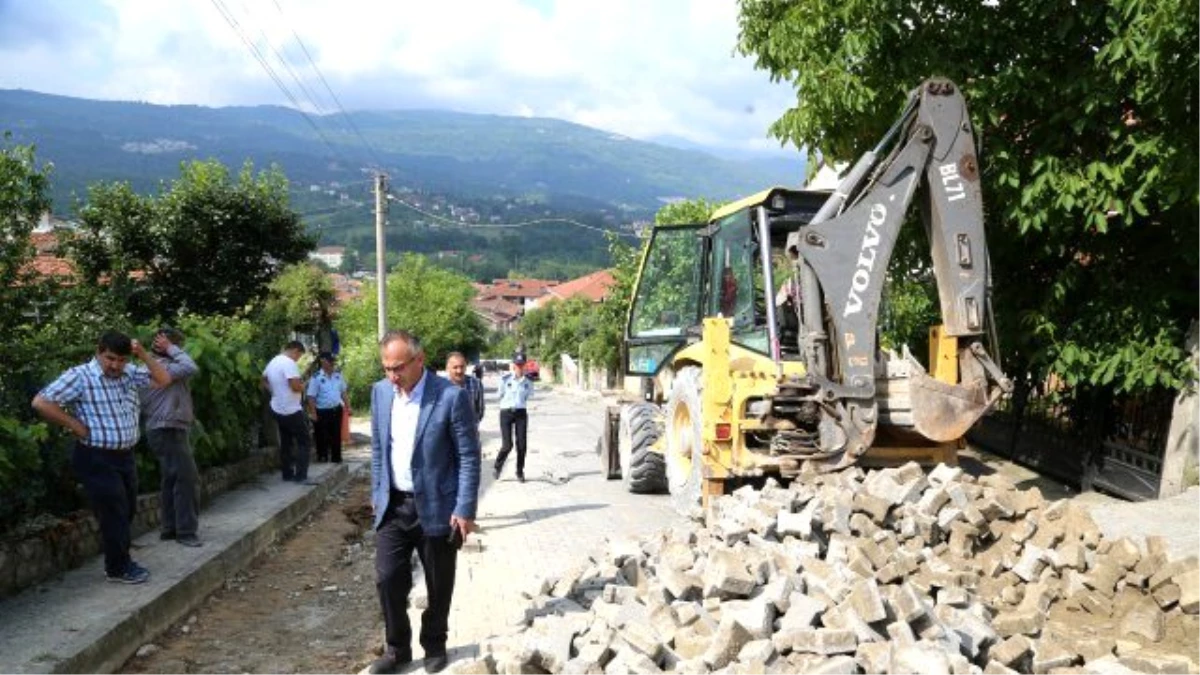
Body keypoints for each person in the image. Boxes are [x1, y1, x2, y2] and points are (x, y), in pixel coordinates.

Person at [369, 330, 480, 674]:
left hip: (437, 507)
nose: (392, 375)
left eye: (398, 367)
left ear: (419, 359)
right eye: (386, 368)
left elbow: (468, 455)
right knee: (388, 579)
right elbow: (377, 449)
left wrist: (464, 508)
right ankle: (397, 648)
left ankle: (434, 643)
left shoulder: (449, 396)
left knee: (438, 581)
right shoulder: (380, 393)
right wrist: (377, 492)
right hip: (394, 506)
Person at [31, 330, 170, 584]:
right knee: (115, 510)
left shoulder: (129, 372)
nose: (115, 365)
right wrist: (74, 425)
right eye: (110, 358)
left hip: (124, 456)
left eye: (121, 360)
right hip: (95, 456)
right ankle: (118, 567)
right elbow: (41, 402)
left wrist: (143, 355)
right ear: (99, 351)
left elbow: (163, 380)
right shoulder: (80, 376)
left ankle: (118, 561)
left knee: (126, 509)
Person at [140, 326, 203, 547]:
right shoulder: (164, 368)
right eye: (177, 345)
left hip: (163, 428)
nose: (180, 349)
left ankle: (169, 528)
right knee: (186, 479)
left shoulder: (151, 368)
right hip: (168, 428)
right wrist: (171, 348)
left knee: (171, 478)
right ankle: (186, 532)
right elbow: (190, 366)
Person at [262, 340, 312, 483]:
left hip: (277, 407)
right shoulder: (289, 363)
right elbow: (295, 386)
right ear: (295, 350)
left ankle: (287, 474)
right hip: (290, 409)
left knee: (286, 441)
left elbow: (263, 380)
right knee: (304, 441)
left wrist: (274, 391)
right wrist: (304, 386)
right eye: (299, 356)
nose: (298, 359)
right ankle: (301, 476)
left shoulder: (273, 361)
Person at [493, 354, 534, 482]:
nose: (519, 367)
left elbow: (527, 396)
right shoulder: (505, 380)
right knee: (507, 445)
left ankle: (520, 471)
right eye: (517, 365)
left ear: (525, 365)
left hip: (521, 413)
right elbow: (500, 394)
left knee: (522, 445)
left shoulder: (528, 382)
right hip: (506, 413)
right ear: (513, 365)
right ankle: (497, 466)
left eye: (522, 365)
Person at [306, 352, 349, 463]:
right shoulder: (316, 377)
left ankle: (336, 457)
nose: (332, 364)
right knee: (321, 435)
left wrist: (348, 407)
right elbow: (311, 397)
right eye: (329, 361)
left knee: (336, 435)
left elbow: (343, 392)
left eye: (333, 362)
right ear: (323, 362)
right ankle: (322, 456)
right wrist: (313, 413)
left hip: (336, 409)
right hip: (322, 411)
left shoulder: (338, 376)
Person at [444, 351, 485, 429]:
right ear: (447, 368)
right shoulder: (440, 386)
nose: (459, 371)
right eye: (455, 367)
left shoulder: (476, 383)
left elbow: (480, 411)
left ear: (466, 367)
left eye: (462, 367)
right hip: (445, 433)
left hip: (469, 431)